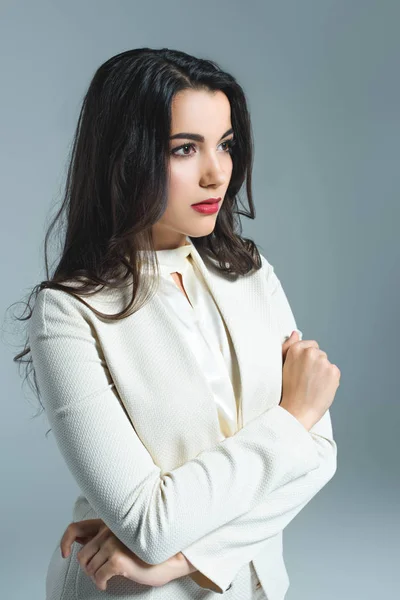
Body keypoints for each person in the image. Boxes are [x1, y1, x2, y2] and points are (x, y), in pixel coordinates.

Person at [16, 47, 340, 599]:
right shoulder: (68, 314)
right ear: (125, 157)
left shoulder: (250, 273)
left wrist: (181, 560)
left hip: (256, 587)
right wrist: (293, 418)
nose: (217, 173)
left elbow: (320, 460)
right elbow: (148, 523)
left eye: (226, 145)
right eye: (185, 149)